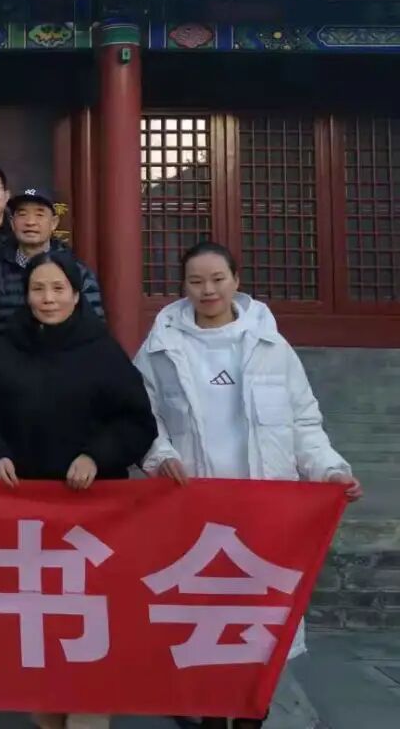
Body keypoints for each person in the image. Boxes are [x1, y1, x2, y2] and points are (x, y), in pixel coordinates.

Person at [135, 241, 361, 729]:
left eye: (217, 279)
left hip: (262, 509)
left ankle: (252, 715)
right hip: (196, 510)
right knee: (205, 622)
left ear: (236, 281)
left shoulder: (270, 346)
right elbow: (141, 418)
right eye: (196, 281)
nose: (208, 290)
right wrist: (161, 455)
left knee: (259, 623)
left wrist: (329, 470)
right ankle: (209, 716)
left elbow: (304, 422)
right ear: (183, 286)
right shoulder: (160, 348)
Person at [0, 250, 155, 729]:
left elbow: (137, 422)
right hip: (26, 515)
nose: (48, 298)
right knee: (40, 625)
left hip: (91, 517)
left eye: (58, 289)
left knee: (86, 621)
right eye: (38, 289)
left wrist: (96, 456)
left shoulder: (101, 350)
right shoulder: (5, 347)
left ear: (77, 296)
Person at [0, 187, 103, 348]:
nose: (30, 222)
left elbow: (94, 329)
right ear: (12, 223)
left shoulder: (77, 272)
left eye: (39, 214)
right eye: (22, 214)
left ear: (54, 223)